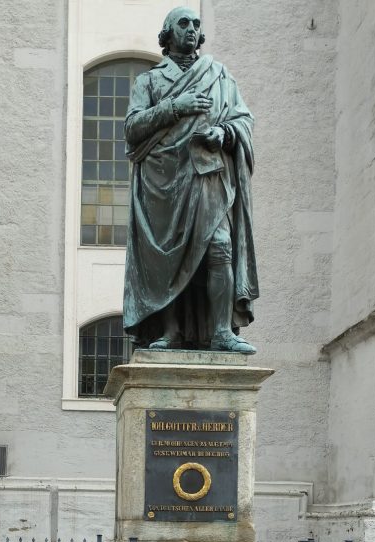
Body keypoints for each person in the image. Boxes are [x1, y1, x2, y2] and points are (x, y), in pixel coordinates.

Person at [123, 6, 258, 353]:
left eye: (196, 24)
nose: (192, 29)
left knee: (220, 248)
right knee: (167, 257)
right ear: (167, 35)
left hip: (208, 177)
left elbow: (243, 119)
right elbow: (133, 129)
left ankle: (221, 333)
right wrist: (175, 106)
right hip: (164, 182)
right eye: (183, 24)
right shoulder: (149, 81)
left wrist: (224, 134)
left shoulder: (219, 75)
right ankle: (171, 332)